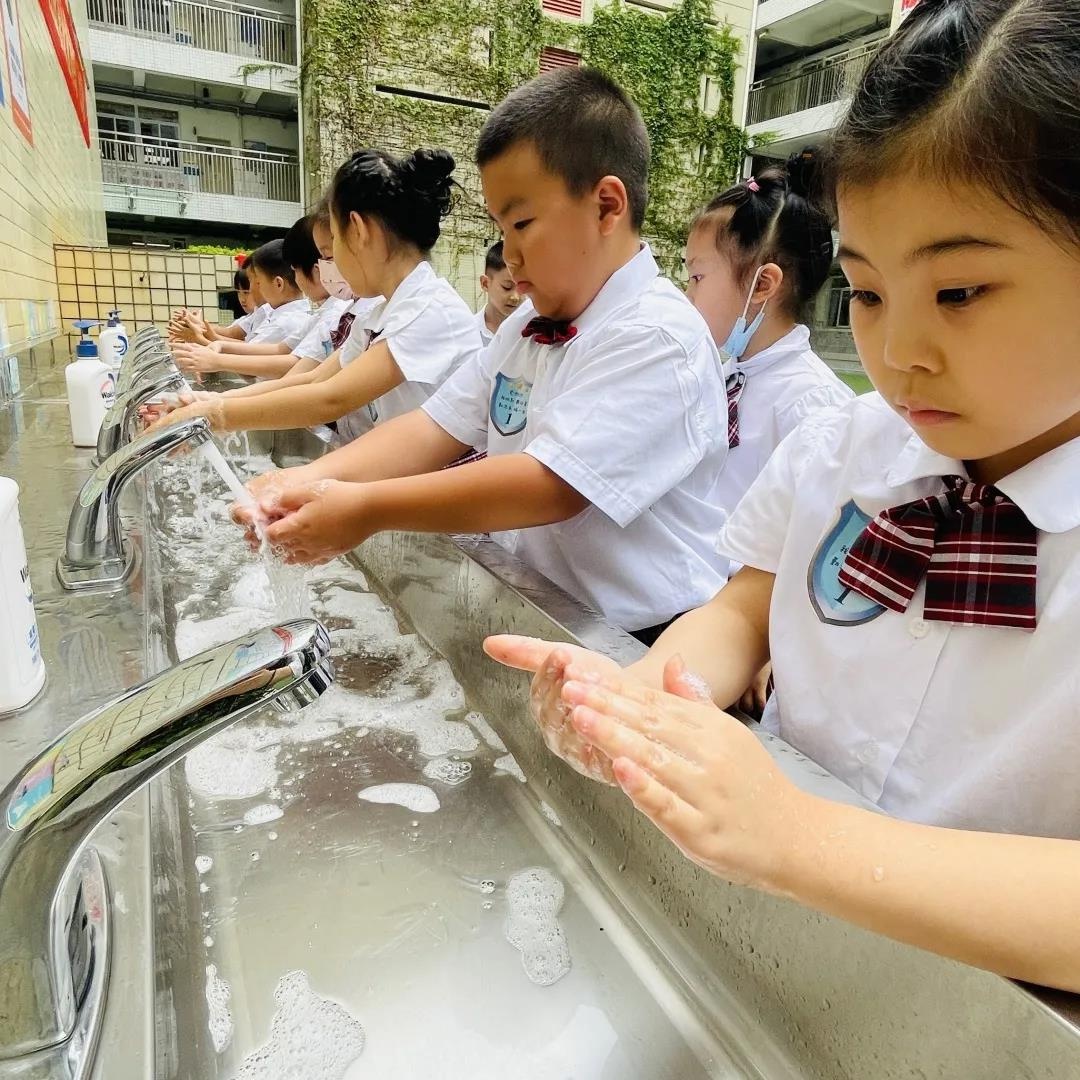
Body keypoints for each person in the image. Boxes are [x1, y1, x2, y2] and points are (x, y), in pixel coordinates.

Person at [484, 0, 1080, 993]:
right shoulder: (840, 447)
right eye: (871, 294)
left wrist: (798, 836)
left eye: (960, 293)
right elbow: (744, 610)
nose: (898, 355)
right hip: (777, 954)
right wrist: (645, 706)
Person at [234, 68, 731, 644]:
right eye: (501, 227)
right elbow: (433, 426)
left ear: (606, 206)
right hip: (546, 604)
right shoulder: (526, 324)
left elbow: (549, 485)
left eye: (522, 224)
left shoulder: (657, 336)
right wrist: (305, 481)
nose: (509, 255)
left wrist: (364, 508)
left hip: (638, 636)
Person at [148, 149, 478, 440]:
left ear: (359, 231)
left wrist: (214, 416)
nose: (328, 260)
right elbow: (314, 379)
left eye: (333, 240)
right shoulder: (379, 313)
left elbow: (331, 398)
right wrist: (211, 403)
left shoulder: (427, 310)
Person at [687, 156, 854, 710]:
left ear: (763, 285)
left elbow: (814, 548)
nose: (688, 296)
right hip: (703, 612)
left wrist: (760, 651)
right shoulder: (722, 375)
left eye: (696, 276)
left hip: (748, 638)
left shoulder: (814, 405)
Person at [173, 218, 345, 381]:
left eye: (328, 258)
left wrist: (213, 354)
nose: (256, 289)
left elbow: (295, 367)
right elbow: (281, 351)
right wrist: (215, 345)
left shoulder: (323, 315)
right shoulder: (324, 312)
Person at [475, 240, 521, 345]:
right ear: (485, 283)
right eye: (507, 287)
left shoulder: (531, 333)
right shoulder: (469, 332)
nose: (515, 297)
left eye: (522, 288)